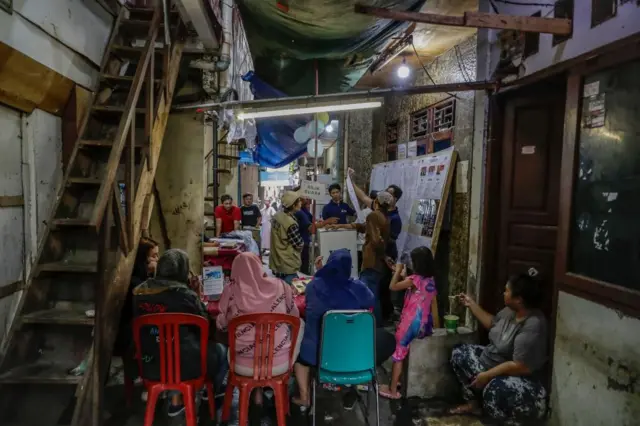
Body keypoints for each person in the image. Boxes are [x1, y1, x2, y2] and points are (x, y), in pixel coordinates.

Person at [132, 249, 226, 417]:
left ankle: (176, 402)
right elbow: (206, 326)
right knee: (220, 350)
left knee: (170, 344)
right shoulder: (185, 296)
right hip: (188, 367)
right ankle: (208, 394)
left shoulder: (139, 293)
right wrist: (196, 294)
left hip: (151, 365)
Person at [450, 272, 548, 423]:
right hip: (493, 365)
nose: (504, 293)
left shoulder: (533, 324)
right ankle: (475, 405)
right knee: (459, 353)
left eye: (507, 291)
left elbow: (520, 366)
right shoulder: (510, 311)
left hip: (520, 380)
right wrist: (471, 304)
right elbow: (493, 324)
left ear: (519, 299)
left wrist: (488, 375)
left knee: (495, 391)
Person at [216, 252, 303, 405]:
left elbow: (222, 325)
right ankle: (267, 393)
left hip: (243, 365)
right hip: (278, 363)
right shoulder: (281, 286)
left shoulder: (231, 291)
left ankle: (254, 396)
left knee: (228, 344)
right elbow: (294, 316)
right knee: (300, 325)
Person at [292, 249, 375, 408]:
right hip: (353, 354)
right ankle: (352, 386)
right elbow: (370, 301)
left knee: (299, 360)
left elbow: (311, 301)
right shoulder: (358, 287)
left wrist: (319, 272)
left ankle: (304, 397)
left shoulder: (314, 285)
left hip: (317, 355)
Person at [380, 247, 438, 399]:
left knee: (398, 353)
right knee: (404, 352)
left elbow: (393, 286)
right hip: (423, 323)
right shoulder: (430, 281)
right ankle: (397, 380)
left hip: (410, 323)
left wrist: (397, 271)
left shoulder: (414, 281)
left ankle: (393, 391)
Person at [328, 191, 392, 325]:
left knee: (368, 295)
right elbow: (362, 227)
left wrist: (380, 250)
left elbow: (374, 240)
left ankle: (372, 324)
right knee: (373, 294)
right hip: (378, 262)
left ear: (377, 202)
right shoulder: (384, 217)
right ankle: (376, 324)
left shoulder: (373, 215)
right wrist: (341, 226)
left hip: (372, 262)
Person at [348, 168, 403, 320]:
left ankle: (377, 321)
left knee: (375, 291)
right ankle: (380, 320)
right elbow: (363, 197)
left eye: (390, 192)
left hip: (380, 257)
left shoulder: (390, 217)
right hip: (380, 257)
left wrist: (384, 255)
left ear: (395, 199)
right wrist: (351, 182)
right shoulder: (381, 211)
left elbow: (380, 240)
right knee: (376, 291)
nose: (386, 193)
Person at [294, 196, 337, 275]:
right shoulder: (299, 212)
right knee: (303, 268)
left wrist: (320, 222)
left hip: (305, 241)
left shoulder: (304, 210)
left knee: (305, 264)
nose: (307, 199)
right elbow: (310, 227)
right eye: (305, 197)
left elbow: (312, 221)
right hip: (301, 242)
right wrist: (326, 222)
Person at [269, 191, 304, 284]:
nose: (301, 203)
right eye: (299, 201)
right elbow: (298, 244)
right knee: (291, 294)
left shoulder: (277, 215)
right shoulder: (290, 223)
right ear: (293, 205)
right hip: (288, 265)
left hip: (277, 262)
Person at [356, 191, 377, 272]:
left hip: (361, 246)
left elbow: (356, 225)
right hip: (370, 248)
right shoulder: (378, 213)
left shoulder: (363, 212)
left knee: (361, 270)